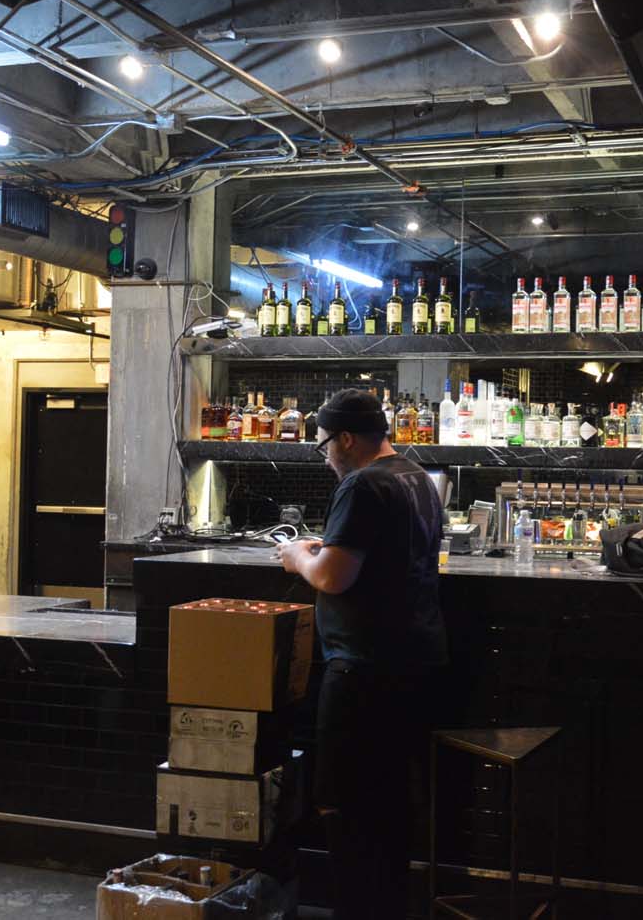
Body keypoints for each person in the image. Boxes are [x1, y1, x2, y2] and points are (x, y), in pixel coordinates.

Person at [278, 388, 448, 920]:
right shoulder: (416, 477)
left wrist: (296, 557)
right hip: (416, 662)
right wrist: (325, 548)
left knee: (346, 806)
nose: (325, 455)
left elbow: (333, 576)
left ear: (346, 439)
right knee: (390, 804)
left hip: (365, 669)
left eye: (324, 444)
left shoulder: (362, 483)